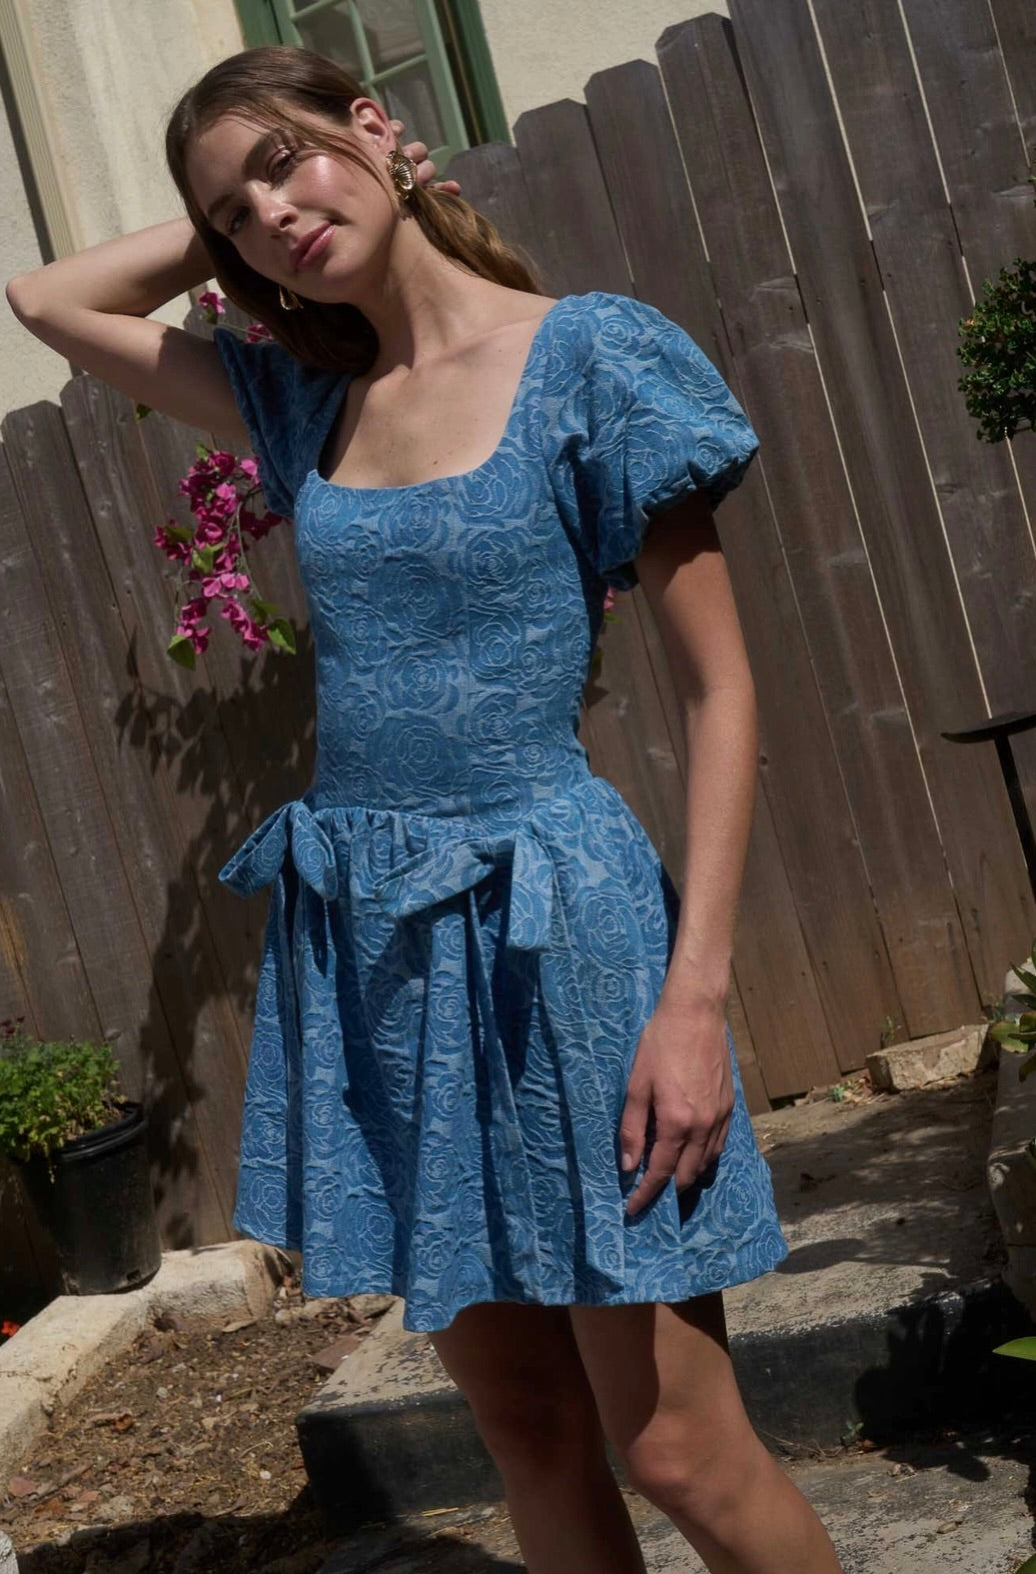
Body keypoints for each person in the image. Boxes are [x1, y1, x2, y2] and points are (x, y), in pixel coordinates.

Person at [6, 44, 843, 1574]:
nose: (272, 213)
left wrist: (696, 995)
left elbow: (724, 694)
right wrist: (252, 223)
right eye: (233, 211)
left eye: (294, 159)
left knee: (674, 1441)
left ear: (381, 127)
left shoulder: (591, 356)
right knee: (522, 1429)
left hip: (560, 931)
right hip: (375, 951)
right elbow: (51, 301)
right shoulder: (293, 392)